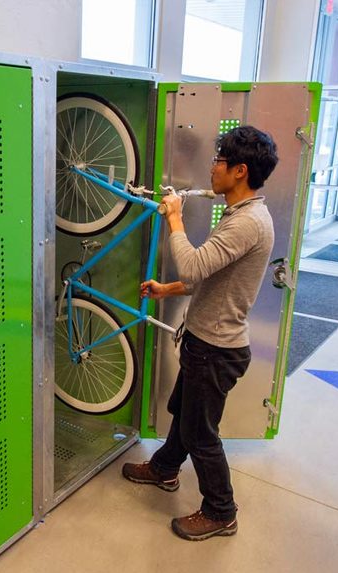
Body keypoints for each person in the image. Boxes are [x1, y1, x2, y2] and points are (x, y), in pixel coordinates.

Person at [122, 125, 279, 541]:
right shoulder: (237, 215)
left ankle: (220, 510)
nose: (213, 169)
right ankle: (164, 469)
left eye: (219, 161)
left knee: (200, 433)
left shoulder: (248, 223)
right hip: (203, 342)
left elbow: (192, 265)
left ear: (240, 171)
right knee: (184, 414)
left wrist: (174, 217)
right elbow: (208, 275)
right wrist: (167, 290)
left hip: (217, 349)